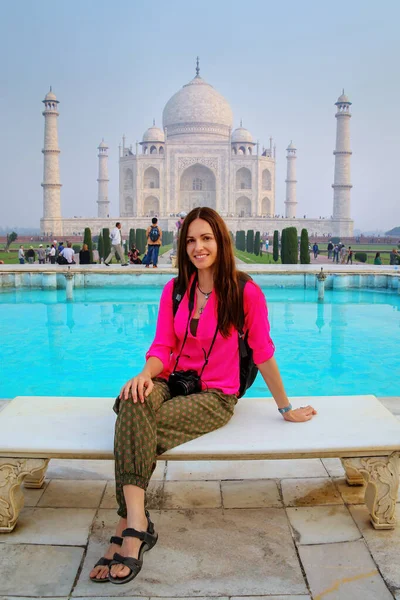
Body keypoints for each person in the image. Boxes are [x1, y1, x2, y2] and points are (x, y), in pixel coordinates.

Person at [89, 206, 317, 585]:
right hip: (173, 381)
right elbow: (162, 345)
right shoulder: (176, 289)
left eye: (206, 238)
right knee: (133, 400)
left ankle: (127, 526)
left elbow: (262, 352)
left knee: (133, 426)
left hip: (215, 395)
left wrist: (286, 407)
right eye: (191, 240)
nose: (198, 247)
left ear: (221, 241)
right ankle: (138, 523)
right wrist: (145, 374)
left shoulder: (245, 292)